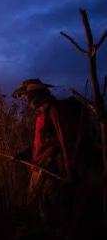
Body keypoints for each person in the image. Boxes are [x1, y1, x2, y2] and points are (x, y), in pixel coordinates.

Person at [13, 78, 96, 221]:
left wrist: (69, 168)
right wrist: (25, 153)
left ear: (37, 94)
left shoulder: (53, 110)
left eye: (28, 96)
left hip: (51, 167)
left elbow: (63, 139)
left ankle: (56, 235)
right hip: (38, 165)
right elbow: (41, 142)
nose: (26, 100)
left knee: (50, 205)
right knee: (35, 204)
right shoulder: (41, 114)